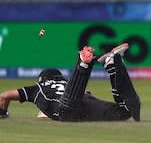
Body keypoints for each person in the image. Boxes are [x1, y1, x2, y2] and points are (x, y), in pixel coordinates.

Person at [0, 43, 140, 122]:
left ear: (43, 80)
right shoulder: (66, 83)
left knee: (69, 106)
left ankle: (83, 64)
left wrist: (3, 113)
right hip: (86, 105)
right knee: (125, 112)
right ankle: (113, 64)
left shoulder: (38, 88)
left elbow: (4, 96)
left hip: (67, 108)